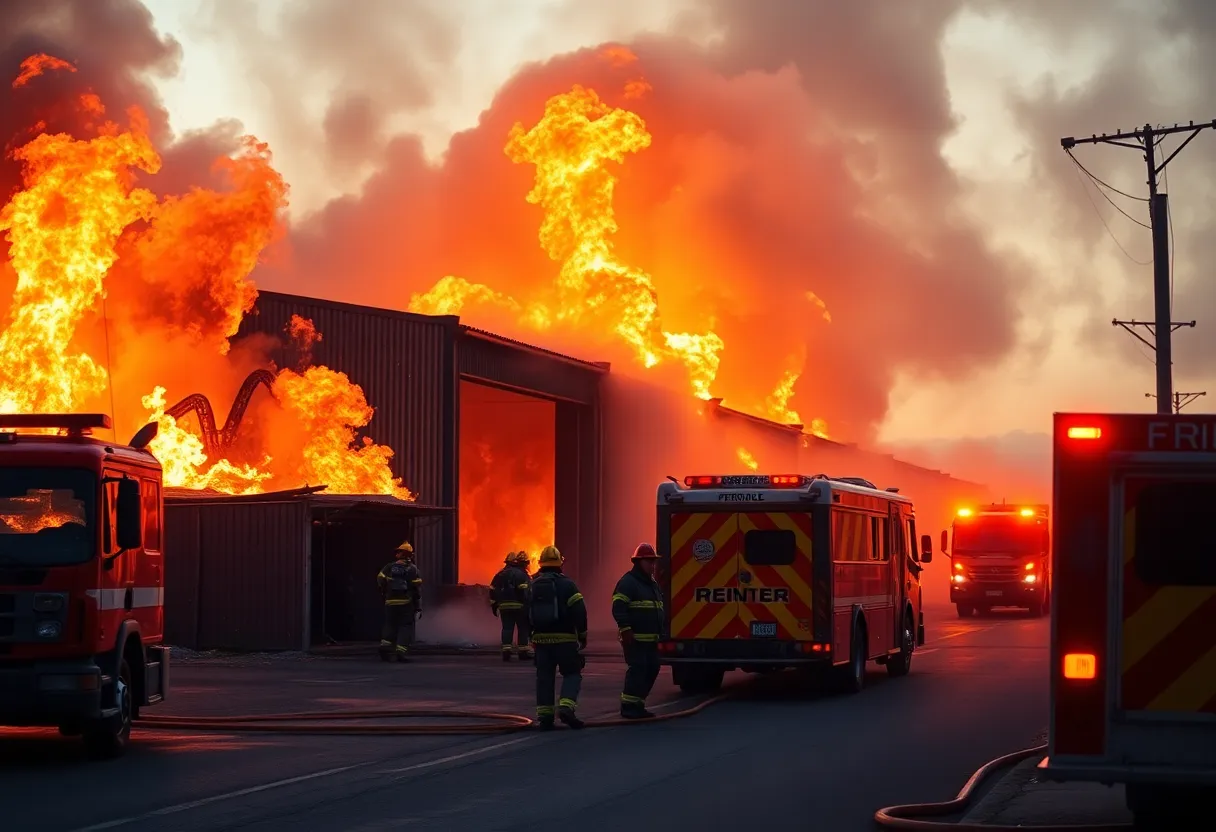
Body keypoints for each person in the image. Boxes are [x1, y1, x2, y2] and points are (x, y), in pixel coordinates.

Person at [529, 545, 588, 730]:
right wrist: (583, 635)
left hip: (541, 642)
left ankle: (545, 717)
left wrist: (532, 636)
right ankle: (566, 707)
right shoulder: (567, 585)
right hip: (565, 640)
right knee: (572, 673)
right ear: (559, 563)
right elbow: (579, 611)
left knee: (544, 677)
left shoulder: (533, 585)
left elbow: (525, 613)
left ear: (541, 564)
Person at [611, 543, 665, 719]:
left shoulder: (651, 584)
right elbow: (618, 606)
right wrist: (626, 629)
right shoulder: (628, 582)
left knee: (652, 668)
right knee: (638, 669)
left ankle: (638, 704)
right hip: (635, 639)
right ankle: (628, 706)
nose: (652, 565)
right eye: (649, 561)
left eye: (653, 561)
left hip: (650, 639)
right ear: (638, 562)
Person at [376, 542, 423, 662]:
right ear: (410, 555)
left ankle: (385, 647)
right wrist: (418, 606)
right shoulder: (412, 569)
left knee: (390, 624)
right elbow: (416, 588)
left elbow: (380, 579)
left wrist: (384, 591)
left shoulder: (389, 567)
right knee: (405, 626)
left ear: (399, 554)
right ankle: (400, 652)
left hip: (390, 602)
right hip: (405, 603)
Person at [490, 551, 533, 661]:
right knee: (522, 628)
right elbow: (524, 591)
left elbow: (492, 590)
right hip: (519, 606)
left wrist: (494, 605)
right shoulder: (521, 574)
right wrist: (527, 604)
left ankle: (506, 651)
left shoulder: (500, 574)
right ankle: (523, 652)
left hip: (504, 606)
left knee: (507, 628)